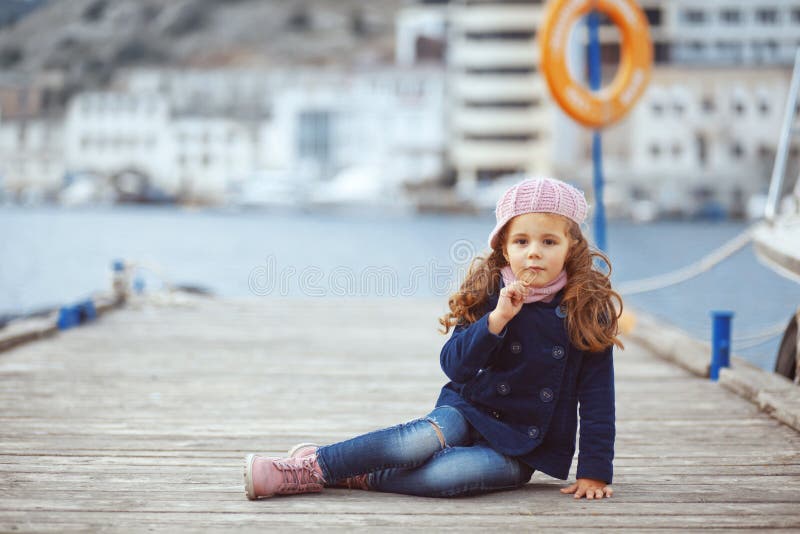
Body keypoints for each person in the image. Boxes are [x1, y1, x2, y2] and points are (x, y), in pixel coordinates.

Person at [244, 176, 623, 500]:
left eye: (548, 242)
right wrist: (496, 320)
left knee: (450, 475)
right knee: (414, 443)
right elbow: (454, 366)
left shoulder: (587, 309)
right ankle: (311, 467)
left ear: (572, 247)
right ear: (504, 248)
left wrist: (594, 471)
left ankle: (358, 472)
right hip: (467, 410)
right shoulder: (492, 293)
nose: (534, 253)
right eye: (521, 242)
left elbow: (597, 399)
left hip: (523, 443)